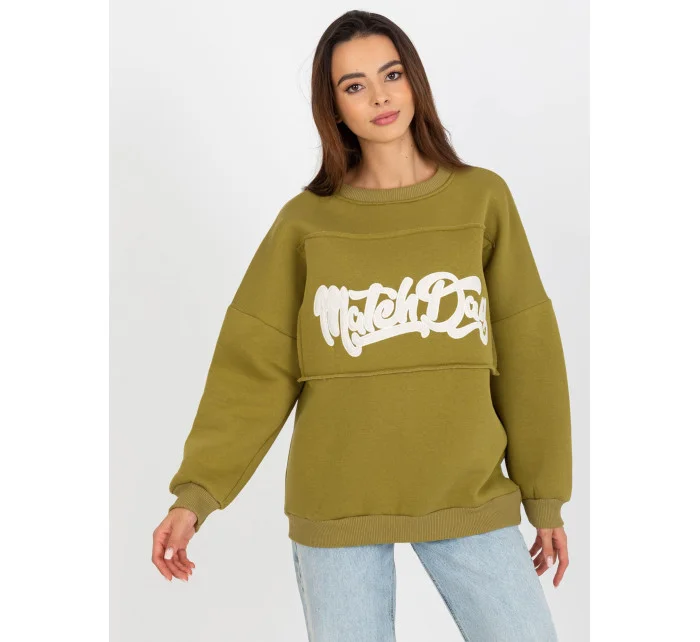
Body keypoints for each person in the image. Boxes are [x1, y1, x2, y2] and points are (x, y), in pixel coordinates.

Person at [151, 10, 573, 642]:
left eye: (391, 74)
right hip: (336, 500)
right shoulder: (306, 223)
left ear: (414, 81)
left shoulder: (482, 200)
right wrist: (196, 495)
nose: (379, 96)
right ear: (334, 108)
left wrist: (544, 496)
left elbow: (527, 352)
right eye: (354, 85)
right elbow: (254, 365)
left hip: (468, 490)